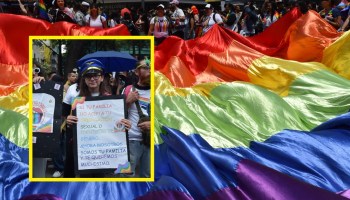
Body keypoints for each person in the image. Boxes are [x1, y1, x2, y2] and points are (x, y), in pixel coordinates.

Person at [64, 59, 131, 177]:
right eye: (88, 76)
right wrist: (68, 121)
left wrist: (126, 125)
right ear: (84, 80)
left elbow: (118, 126)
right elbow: (67, 120)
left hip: (106, 154)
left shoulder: (111, 100)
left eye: (96, 75)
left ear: (101, 78)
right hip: (84, 153)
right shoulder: (78, 101)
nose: (92, 79)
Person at [123, 59, 150, 178]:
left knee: (148, 177)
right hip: (130, 141)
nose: (150, 69)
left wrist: (152, 124)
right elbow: (115, 115)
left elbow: (167, 117)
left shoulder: (160, 90)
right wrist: (127, 102)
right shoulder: (128, 90)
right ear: (136, 71)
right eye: (146, 67)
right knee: (125, 176)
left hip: (151, 143)